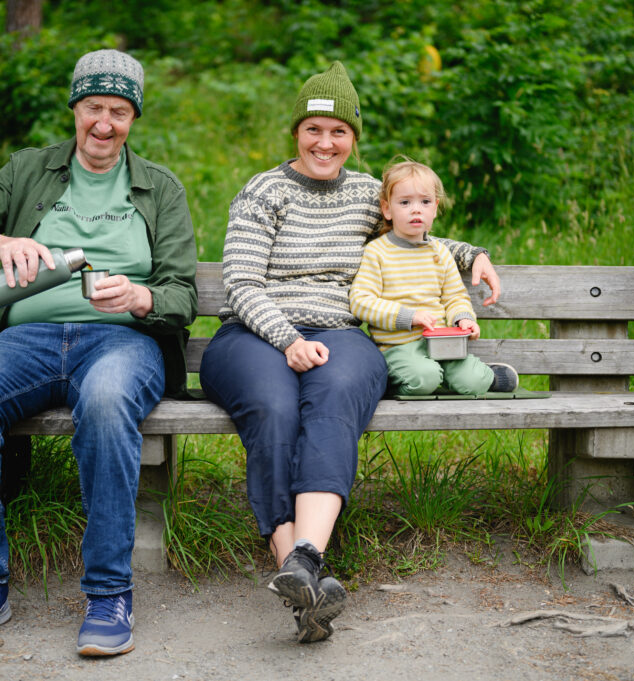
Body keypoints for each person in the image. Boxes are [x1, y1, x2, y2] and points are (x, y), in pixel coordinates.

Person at [198, 62, 501, 644]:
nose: (325, 143)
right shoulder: (265, 191)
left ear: (353, 139)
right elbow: (240, 283)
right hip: (255, 334)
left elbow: (414, 232)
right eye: (313, 128)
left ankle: (304, 561)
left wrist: (472, 254)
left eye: (338, 131)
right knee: (274, 406)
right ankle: (300, 570)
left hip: (340, 332)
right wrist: (286, 339)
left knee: (338, 398)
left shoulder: (367, 193)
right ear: (296, 132)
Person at [0, 49, 197, 657]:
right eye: (94, 107)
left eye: (119, 111)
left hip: (124, 341)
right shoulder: (28, 171)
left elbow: (184, 293)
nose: (104, 123)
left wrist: (141, 297)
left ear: (134, 118)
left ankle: (108, 593)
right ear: (74, 107)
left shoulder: (160, 188)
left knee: (104, 401)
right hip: (27, 340)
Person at [349, 159, 518, 396]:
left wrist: (463, 318)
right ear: (387, 209)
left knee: (472, 383)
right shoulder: (377, 252)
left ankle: (484, 376)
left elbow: (454, 296)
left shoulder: (440, 252)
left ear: (435, 208)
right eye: (405, 202)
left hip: (443, 342)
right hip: (399, 347)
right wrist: (409, 316)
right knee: (424, 379)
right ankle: (391, 379)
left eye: (425, 202)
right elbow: (361, 301)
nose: (416, 209)